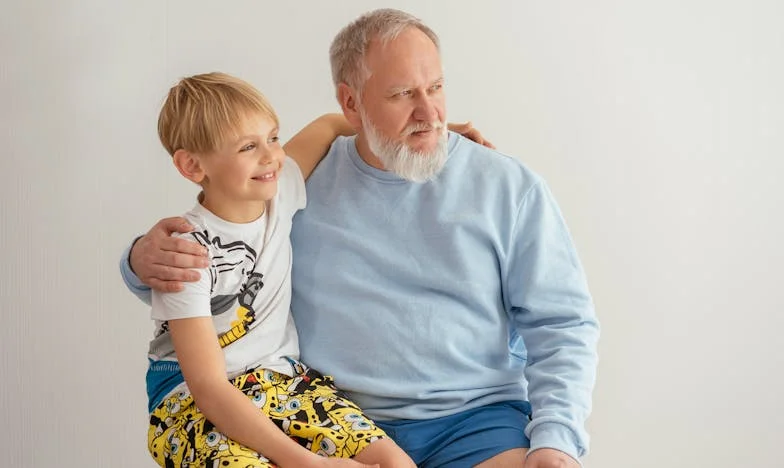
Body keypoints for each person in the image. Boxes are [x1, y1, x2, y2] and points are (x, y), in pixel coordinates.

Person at [122, 9, 599, 468]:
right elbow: (216, 250)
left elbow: (563, 324)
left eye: (435, 88)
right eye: (401, 94)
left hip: (475, 422)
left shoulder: (507, 186)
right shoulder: (293, 185)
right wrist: (139, 259)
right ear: (350, 103)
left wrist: (557, 438)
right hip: (324, 414)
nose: (429, 111)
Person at [140, 71, 415, 468]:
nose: (271, 155)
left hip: (282, 384)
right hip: (192, 405)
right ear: (192, 165)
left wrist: (437, 130)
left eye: (273, 136)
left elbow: (330, 124)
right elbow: (209, 388)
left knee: (396, 463)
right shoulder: (184, 255)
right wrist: (307, 462)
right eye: (248, 147)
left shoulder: (280, 191)